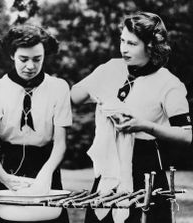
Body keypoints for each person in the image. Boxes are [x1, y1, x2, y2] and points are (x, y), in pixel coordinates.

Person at [71, 11, 192, 223]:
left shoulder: (169, 83)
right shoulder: (110, 68)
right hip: (109, 165)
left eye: (132, 44)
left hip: (146, 168)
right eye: (122, 41)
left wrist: (145, 126)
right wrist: (94, 87)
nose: (123, 48)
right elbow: (74, 97)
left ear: (151, 46)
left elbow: (187, 135)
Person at [0, 24, 72, 223]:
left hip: (45, 163)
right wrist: (4, 178)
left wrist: (46, 174)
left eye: (37, 59)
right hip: (3, 165)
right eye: (23, 59)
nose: (30, 66)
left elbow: (60, 143)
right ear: (12, 55)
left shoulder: (59, 88)